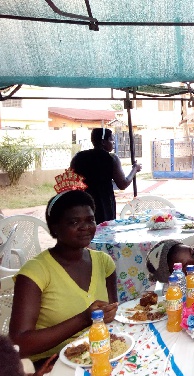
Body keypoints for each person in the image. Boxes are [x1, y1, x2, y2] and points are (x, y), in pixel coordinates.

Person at [10, 189, 118, 362]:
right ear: (55, 227)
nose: (85, 227)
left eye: (90, 220)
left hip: (100, 354)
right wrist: (84, 319)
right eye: (74, 222)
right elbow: (19, 343)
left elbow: (111, 317)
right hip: (49, 364)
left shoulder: (104, 262)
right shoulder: (35, 272)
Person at [70, 128, 142, 223]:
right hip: (104, 205)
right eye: (111, 140)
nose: (113, 143)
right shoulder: (111, 158)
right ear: (103, 142)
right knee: (106, 232)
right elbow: (123, 184)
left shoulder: (78, 157)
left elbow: (72, 181)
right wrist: (135, 169)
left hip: (82, 203)